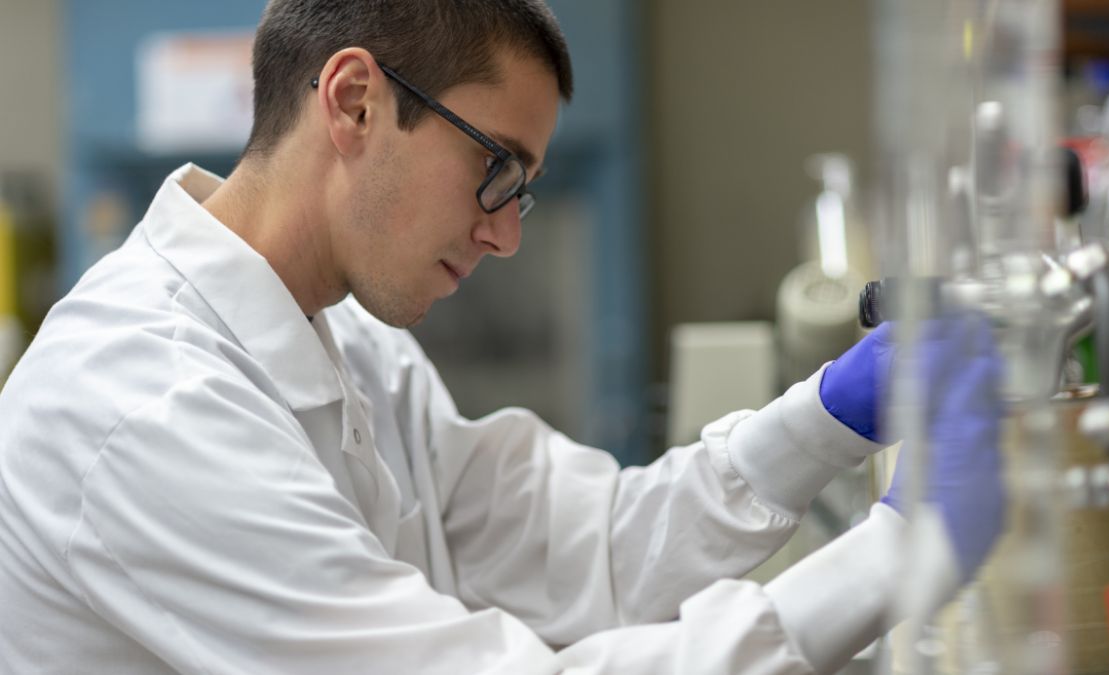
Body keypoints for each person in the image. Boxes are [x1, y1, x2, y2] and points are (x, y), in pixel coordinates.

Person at [0, 1, 1005, 673]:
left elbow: (590, 556)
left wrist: (826, 419)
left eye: (526, 190)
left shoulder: (348, 347)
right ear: (355, 101)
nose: (508, 232)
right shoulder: (141, 404)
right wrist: (895, 559)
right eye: (497, 170)